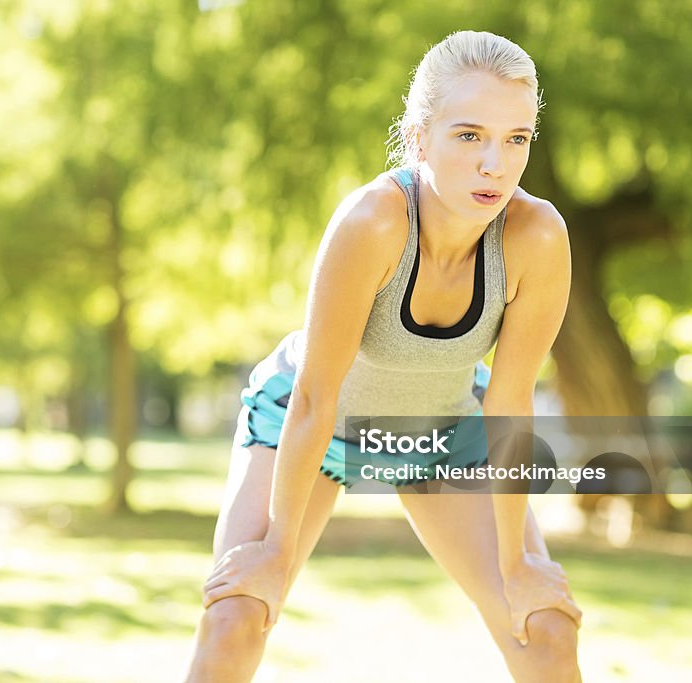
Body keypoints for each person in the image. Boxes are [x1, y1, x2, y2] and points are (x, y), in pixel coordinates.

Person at [182, 30, 582, 683]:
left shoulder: (537, 237)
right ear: (420, 137)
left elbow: (509, 403)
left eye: (517, 139)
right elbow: (314, 396)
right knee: (234, 618)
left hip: (442, 437)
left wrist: (518, 564)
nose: (495, 164)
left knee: (545, 628)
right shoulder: (373, 222)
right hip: (312, 424)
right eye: (469, 135)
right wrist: (276, 555)